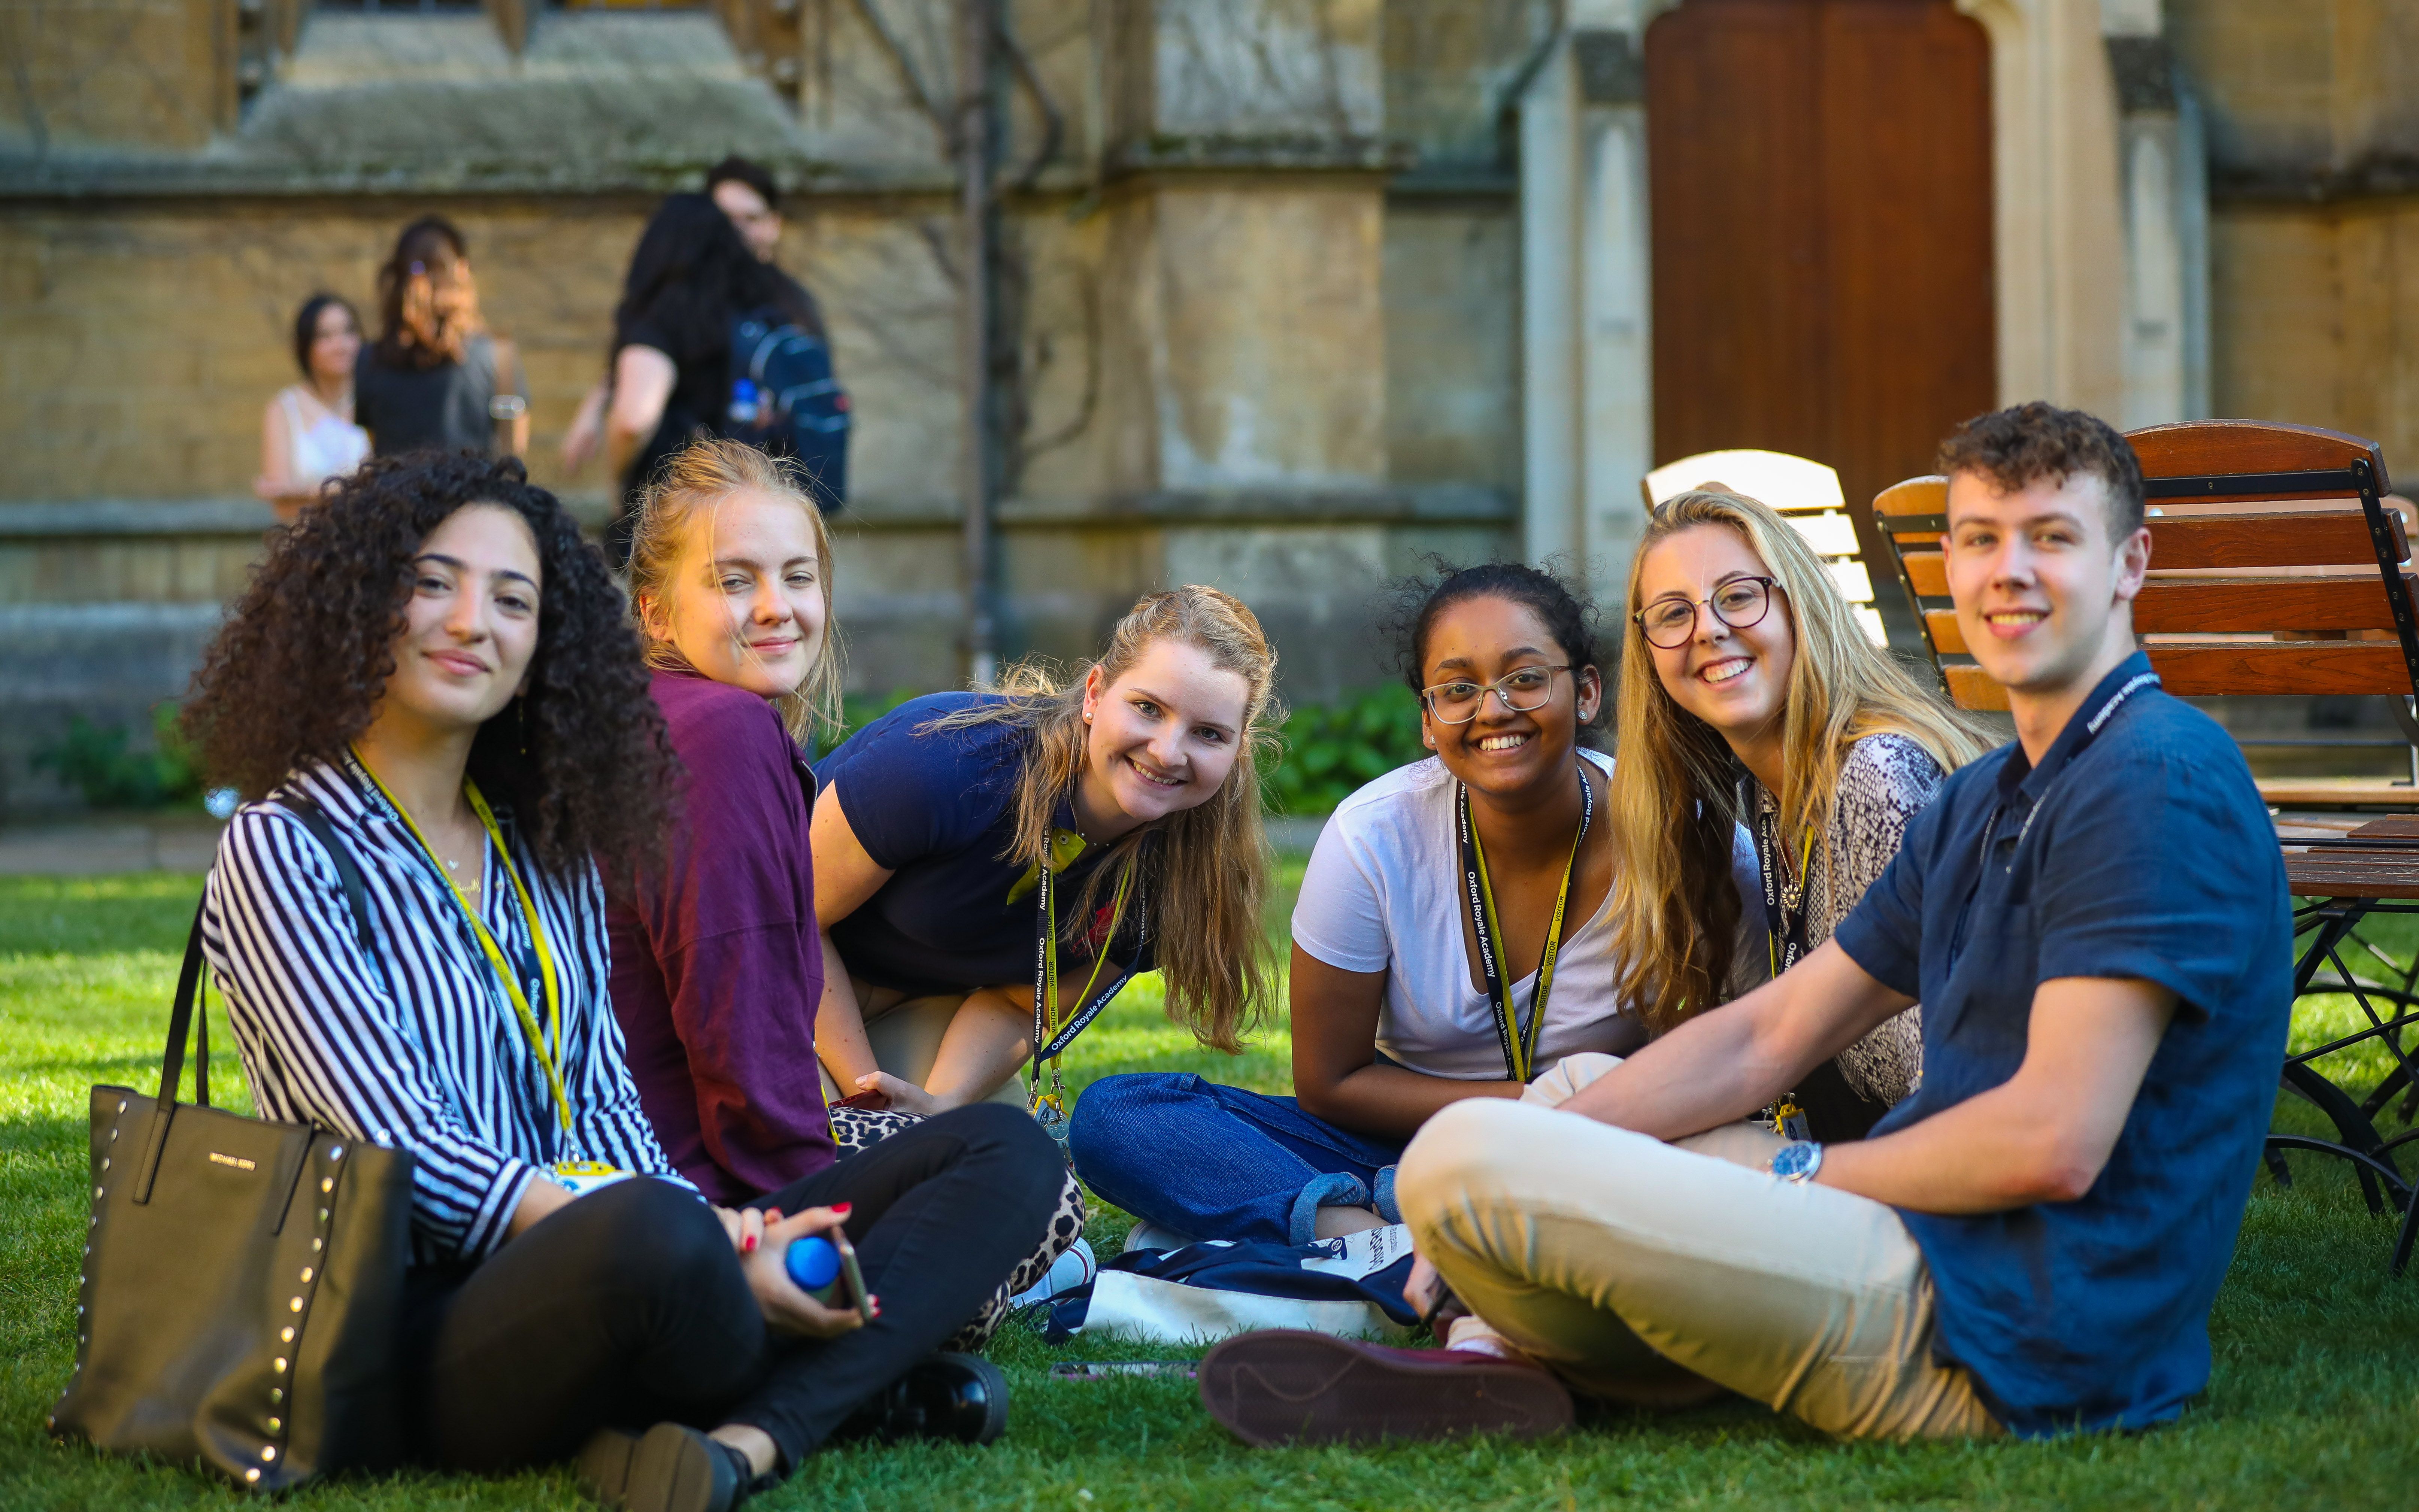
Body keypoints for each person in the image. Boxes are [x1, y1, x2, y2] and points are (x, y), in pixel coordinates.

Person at [1196, 402, 2292, 1448]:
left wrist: (1777, 1178)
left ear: (2128, 564)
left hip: (2014, 1333)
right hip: (1939, 1255)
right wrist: (1567, 1140)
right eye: (1976, 539)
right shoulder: (1988, 794)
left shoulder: (2149, 779)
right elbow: (1765, 1035)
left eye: (2048, 537)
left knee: (1464, 1162)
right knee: (1561, 1106)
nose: (2005, 571)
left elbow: (2050, 1143)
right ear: (1946, 569)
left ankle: (1506, 1336)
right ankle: (1506, 1355)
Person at [184, 451, 1064, 1512]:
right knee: (653, 1236)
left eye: (514, 598)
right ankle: (839, 1385)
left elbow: (606, 1104)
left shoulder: (538, 844)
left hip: (632, 1247)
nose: (474, 620)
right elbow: (402, 1152)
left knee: (1004, 1147)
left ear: (543, 643)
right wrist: (710, 1240)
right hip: (423, 1313)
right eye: (434, 582)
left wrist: (740, 1234)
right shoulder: (289, 845)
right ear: (356, 604)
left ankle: (745, 1438)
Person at [1073, 564, 1755, 1248]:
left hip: (1605, 1149)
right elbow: (1330, 1083)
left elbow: (1716, 1060)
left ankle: (1373, 1233)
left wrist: (1567, 1127)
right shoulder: (1372, 835)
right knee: (1119, 1115)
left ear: (1583, 692)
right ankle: (1371, 1237)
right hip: (1403, 1148)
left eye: (1524, 677)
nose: (1492, 709)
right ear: (1429, 722)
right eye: (1457, 690)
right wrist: (1535, 1110)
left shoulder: (1679, 835)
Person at [606, 438, 1088, 1342]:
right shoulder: (722, 735)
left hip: (622, 1156)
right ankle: (870, 1321)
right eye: (732, 581)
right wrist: (799, 1211)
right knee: (1032, 1185)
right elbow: (731, 1008)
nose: (776, 608)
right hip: (688, 1171)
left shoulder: (651, 712)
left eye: (796, 576)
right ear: (657, 612)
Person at [809, 587, 1280, 1130]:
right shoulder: (942, 765)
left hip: (916, 1010)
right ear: (1094, 694)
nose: (1168, 752)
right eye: (1148, 708)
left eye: (1207, 734)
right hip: (767, 977)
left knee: (1021, 1196)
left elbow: (1017, 1004)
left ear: (1236, 748)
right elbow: (790, 918)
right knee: (812, 1163)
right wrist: (872, 1107)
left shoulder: (1177, 873)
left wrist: (935, 1108)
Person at [1613, 490, 1992, 1141]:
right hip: (1849, 1165)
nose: (1705, 629)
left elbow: (1960, 1092)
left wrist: (1807, 1179)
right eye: (1673, 613)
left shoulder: (1875, 777)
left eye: (1736, 596)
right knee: (1570, 1095)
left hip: (1928, 1200)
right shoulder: (1769, 793)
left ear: (1798, 605)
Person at [566, 171, 846, 567]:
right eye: (726, 221)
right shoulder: (786, 304)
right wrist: (599, 397)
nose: (735, 234)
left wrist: (616, 484)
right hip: (767, 510)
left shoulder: (670, 312)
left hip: (683, 514)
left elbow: (634, 418)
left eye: (748, 219)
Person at [354, 215, 529, 461]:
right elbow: (515, 447)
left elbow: (364, 448)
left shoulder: (368, 360)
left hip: (393, 497)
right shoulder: (498, 356)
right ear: (462, 272)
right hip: (474, 496)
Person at [254, 292, 370, 521]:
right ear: (306, 347)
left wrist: (303, 492)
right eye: (326, 336)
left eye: (349, 332)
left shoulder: (377, 400)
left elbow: (389, 487)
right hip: (306, 546)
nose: (341, 346)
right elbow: (283, 508)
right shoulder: (284, 410)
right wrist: (356, 488)